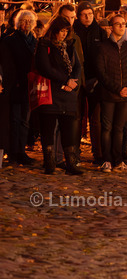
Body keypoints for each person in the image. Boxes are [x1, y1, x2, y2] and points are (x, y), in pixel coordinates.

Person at [33, 18, 84, 175]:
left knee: (68, 129)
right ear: (54, 30)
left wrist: (73, 82)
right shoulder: (44, 44)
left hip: (68, 93)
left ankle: (71, 163)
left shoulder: (69, 45)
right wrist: (65, 80)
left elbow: (77, 66)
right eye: (62, 31)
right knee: (48, 128)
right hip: (50, 92)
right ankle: (49, 163)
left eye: (66, 31)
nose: (64, 34)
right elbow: (45, 68)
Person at [94, 12, 127, 173]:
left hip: (125, 96)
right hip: (109, 94)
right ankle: (107, 160)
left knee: (120, 128)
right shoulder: (103, 47)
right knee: (107, 128)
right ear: (111, 27)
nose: (121, 26)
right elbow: (101, 72)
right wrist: (117, 88)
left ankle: (119, 160)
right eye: (118, 24)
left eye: (123, 24)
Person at [0, 9, 37, 165]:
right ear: (18, 22)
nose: (27, 23)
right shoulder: (11, 40)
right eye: (24, 21)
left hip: (29, 85)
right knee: (15, 120)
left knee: (25, 120)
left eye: (30, 21)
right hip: (15, 85)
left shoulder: (34, 41)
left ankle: (21, 150)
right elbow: (8, 64)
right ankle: (14, 152)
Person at [73, 1, 106, 164]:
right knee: (76, 116)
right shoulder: (73, 31)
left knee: (96, 118)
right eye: (84, 15)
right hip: (77, 79)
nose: (88, 17)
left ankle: (98, 152)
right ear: (79, 16)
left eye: (90, 14)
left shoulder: (100, 32)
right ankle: (74, 151)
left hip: (96, 79)